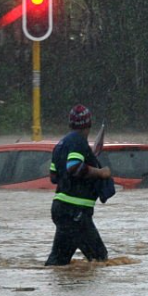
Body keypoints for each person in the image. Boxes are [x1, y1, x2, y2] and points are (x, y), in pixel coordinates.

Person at [45, 104, 113, 266]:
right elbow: (74, 167)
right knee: (99, 258)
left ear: (70, 124)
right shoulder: (78, 142)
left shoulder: (60, 145)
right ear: (89, 124)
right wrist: (100, 173)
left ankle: (56, 289)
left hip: (61, 209)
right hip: (76, 212)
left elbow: (54, 177)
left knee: (59, 263)